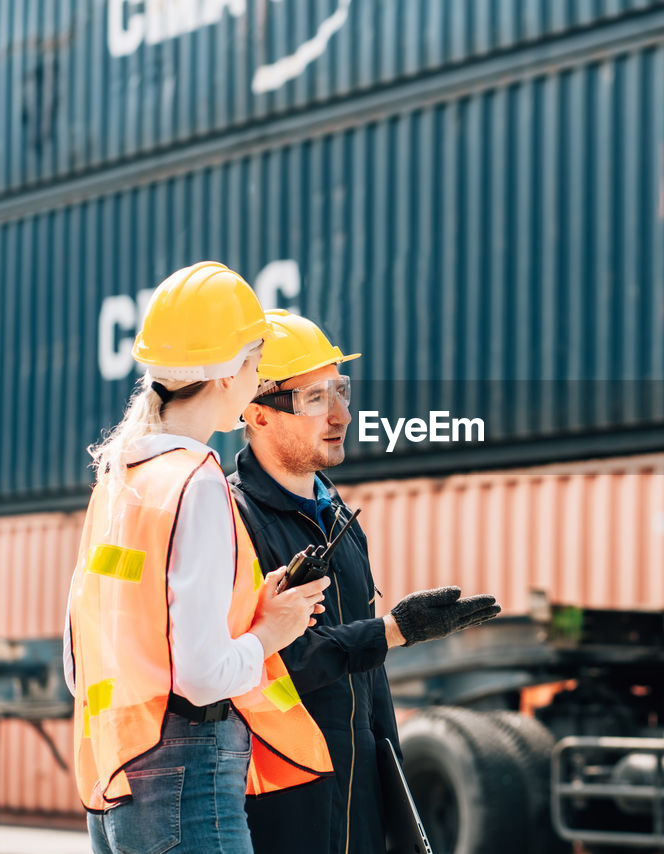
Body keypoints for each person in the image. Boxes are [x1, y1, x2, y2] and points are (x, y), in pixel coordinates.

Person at [64, 263, 336, 854]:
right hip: (188, 777)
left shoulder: (118, 477)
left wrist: (244, 617)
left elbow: (79, 658)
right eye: (256, 359)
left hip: (116, 772)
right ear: (227, 375)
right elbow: (203, 674)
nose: (260, 374)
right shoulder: (197, 480)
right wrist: (271, 633)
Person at [231, 310, 501, 854]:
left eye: (342, 391)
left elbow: (371, 687)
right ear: (259, 416)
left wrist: (395, 801)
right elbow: (269, 668)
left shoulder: (341, 523)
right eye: (314, 398)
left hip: (358, 810)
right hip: (282, 811)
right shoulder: (233, 521)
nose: (340, 414)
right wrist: (392, 630)